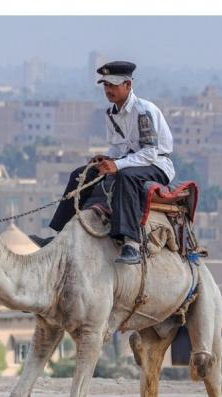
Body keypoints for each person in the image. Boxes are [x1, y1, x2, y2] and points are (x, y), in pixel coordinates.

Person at [31, 61, 175, 264]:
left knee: (126, 178)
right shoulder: (111, 113)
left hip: (157, 165)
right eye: (106, 85)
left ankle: (130, 243)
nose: (109, 90)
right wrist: (106, 158)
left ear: (128, 85)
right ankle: (59, 236)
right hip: (130, 160)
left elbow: (150, 152)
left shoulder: (142, 111)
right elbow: (118, 147)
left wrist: (117, 165)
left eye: (113, 85)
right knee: (81, 174)